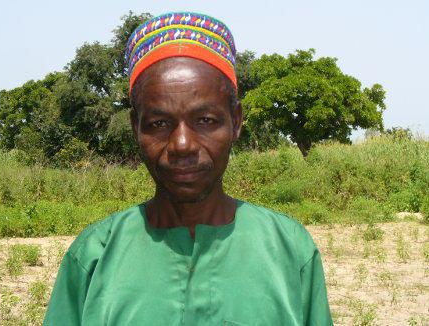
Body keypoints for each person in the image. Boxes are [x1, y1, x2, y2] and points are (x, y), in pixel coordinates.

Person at [44, 12, 333, 326]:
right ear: (135, 128)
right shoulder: (94, 258)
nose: (182, 145)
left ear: (235, 122)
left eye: (205, 121)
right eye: (159, 123)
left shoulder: (290, 250)